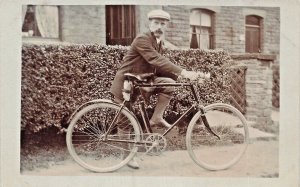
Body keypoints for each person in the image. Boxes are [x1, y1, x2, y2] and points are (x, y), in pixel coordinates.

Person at [110, 9, 209, 169]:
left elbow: (159, 68)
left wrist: (186, 76)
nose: (159, 27)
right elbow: (155, 59)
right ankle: (126, 157)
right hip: (126, 83)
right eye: (156, 23)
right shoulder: (142, 39)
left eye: (163, 24)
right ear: (149, 23)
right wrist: (183, 72)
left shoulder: (158, 42)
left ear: (166, 27)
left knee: (168, 84)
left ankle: (156, 118)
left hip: (142, 82)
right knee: (125, 123)